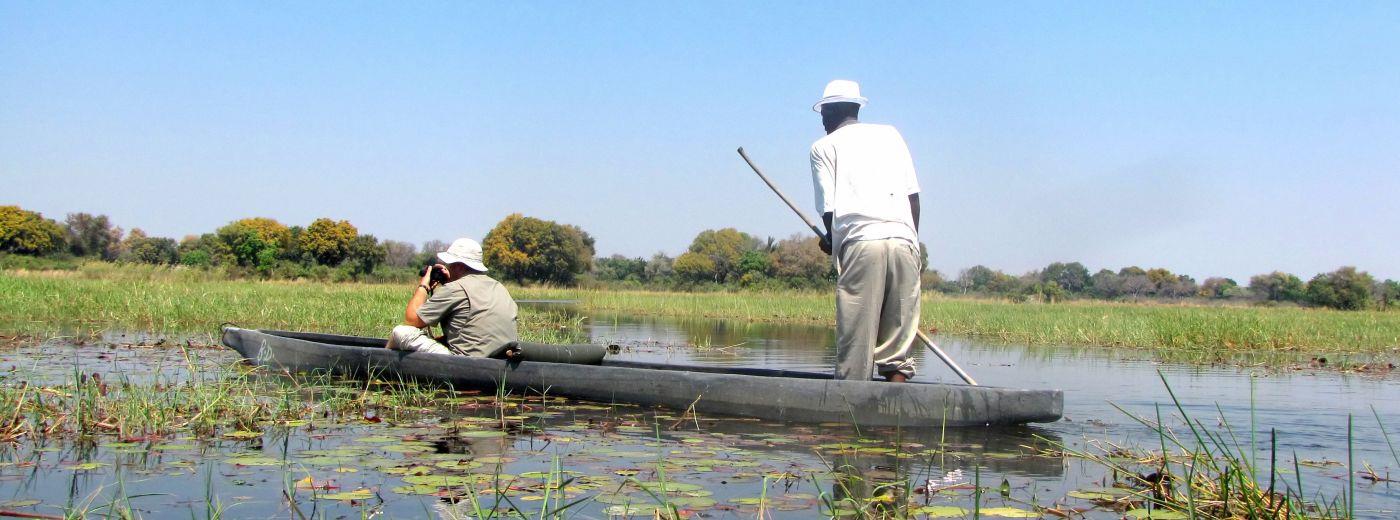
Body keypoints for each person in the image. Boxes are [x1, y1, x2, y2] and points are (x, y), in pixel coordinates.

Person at [809, 79, 922, 382]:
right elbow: (913, 198)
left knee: (856, 345)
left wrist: (832, 241)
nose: (821, 120)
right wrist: (913, 245)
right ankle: (894, 414)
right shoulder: (891, 135)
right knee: (897, 348)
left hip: (862, 243)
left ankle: (850, 414)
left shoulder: (822, 147)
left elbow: (828, 210)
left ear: (831, 111)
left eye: (823, 113)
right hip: (905, 241)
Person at [387, 237, 519, 357]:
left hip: (465, 364)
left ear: (459, 266)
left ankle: (378, 371)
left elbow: (412, 320)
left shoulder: (455, 288)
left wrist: (424, 286)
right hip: (501, 359)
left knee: (400, 332)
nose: (448, 268)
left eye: (450, 264)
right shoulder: (499, 287)